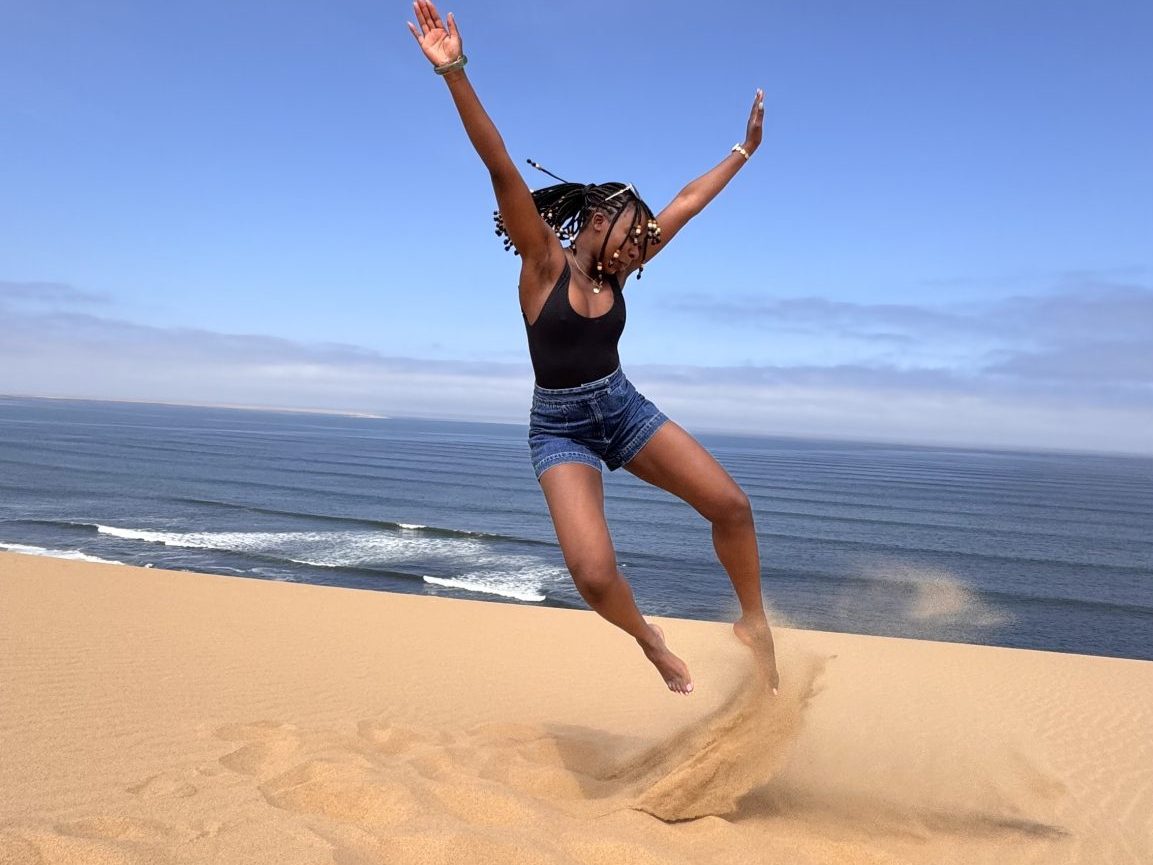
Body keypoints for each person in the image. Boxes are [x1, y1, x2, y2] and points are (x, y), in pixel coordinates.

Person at [407, 0, 779, 696]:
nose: (642, 251)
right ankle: (649, 640)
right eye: (634, 238)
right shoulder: (542, 262)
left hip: (621, 406)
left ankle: (753, 621)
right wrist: (454, 71)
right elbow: (498, 167)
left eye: (645, 244)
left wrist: (742, 150)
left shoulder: (616, 264)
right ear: (599, 220)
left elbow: (687, 202)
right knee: (593, 572)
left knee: (732, 506)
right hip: (560, 426)